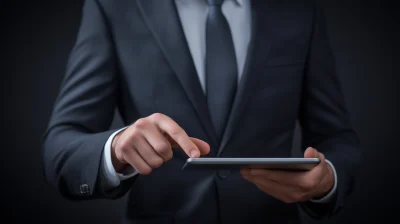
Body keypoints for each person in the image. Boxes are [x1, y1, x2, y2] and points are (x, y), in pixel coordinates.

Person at [42, 0, 361, 223]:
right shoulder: (114, 7)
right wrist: (115, 149)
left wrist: (327, 179)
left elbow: (337, 136)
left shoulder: (299, 10)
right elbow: (61, 148)